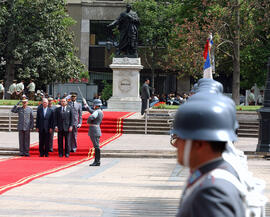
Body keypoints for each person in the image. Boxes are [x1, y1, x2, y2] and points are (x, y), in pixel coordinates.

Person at [170, 78, 245, 217]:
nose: (176, 144)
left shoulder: (212, 192)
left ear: (199, 142)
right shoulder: (212, 175)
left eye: (180, 138)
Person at [84, 99, 104, 166]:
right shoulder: (99, 111)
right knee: (96, 146)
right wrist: (86, 106)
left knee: (96, 146)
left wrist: (88, 121)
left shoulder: (97, 112)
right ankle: (97, 161)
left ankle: (97, 161)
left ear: (96, 105)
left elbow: (92, 116)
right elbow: (91, 111)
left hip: (94, 130)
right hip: (97, 129)